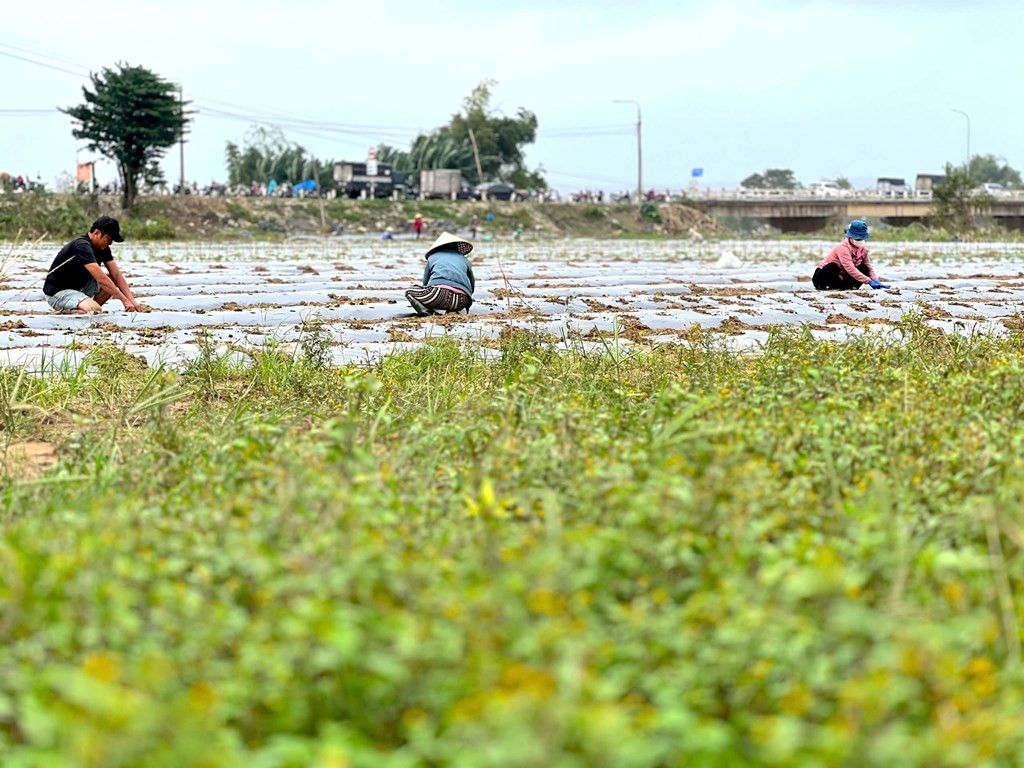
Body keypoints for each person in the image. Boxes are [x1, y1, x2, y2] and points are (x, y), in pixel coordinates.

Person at [42, 216, 145, 313]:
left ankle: (87, 308)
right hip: (58, 293)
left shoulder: (103, 248)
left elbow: (116, 275)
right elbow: (101, 279)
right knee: (95, 309)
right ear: (97, 233)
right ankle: (74, 310)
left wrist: (132, 300)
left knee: (112, 279)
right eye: (109, 239)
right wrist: (124, 300)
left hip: (80, 288)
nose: (110, 243)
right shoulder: (81, 246)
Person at [405, 231, 475, 316]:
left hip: (439, 296)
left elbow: (425, 283)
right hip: (462, 301)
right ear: (456, 247)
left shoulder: (432, 257)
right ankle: (452, 310)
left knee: (409, 291)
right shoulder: (465, 260)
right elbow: (472, 283)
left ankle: (428, 313)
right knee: (450, 298)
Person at [812, 220, 890, 290]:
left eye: (861, 238)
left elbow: (869, 267)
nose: (859, 240)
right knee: (833, 267)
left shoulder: (863, 249)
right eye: (857, 238)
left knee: (864, 268)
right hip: (824, 277)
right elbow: (850, 268)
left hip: (841, 277)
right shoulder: (843, 248)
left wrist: (876, 280)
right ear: (850, 237)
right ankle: (823, 287)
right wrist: (868, 281)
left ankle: (848, 287)